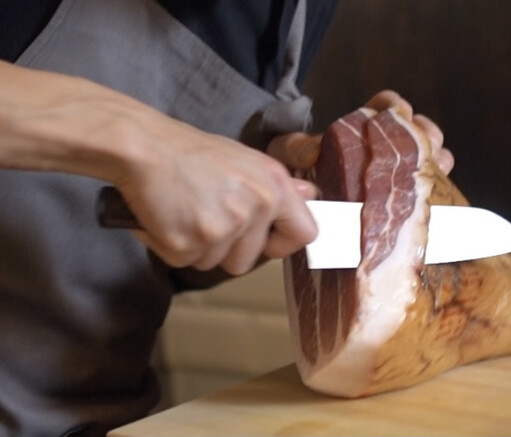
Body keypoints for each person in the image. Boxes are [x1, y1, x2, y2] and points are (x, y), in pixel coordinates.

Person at [0, 1, 453, 436]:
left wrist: (276, 193)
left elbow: (141, 257)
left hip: (105, 416)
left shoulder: (296, 12)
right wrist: (138, 139)